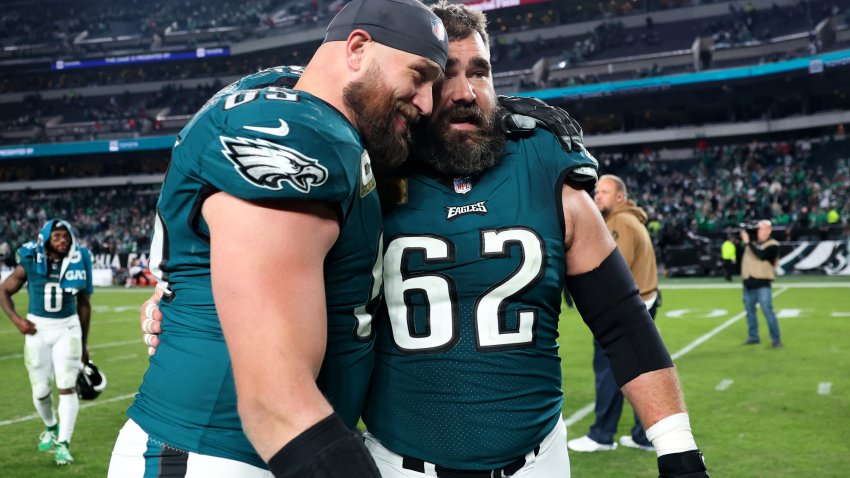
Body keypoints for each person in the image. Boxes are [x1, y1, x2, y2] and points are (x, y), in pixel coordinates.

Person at [141, 3, 710, 476]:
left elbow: (621, 320)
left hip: (540, 458)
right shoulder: (363, 160)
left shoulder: (542, 161)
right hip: (397, 463)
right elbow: (270, 263)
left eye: (481, 72)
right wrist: (186, 295)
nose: (463, 92)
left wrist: (678, 445)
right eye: (438, 78)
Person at [108, 0, 448, 477]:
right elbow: (276, 401)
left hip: (277, 445)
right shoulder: (294, 131)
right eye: (419, 75)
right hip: (224, 451)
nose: (427, 102)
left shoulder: (315, 111)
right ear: (357, 48)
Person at [567, 174, 660, 454]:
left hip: (623, 308)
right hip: (643, 302)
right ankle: (643, 436)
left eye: (605, 192)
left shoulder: (619, 222)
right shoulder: (629, 219)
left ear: (620, 197)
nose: (598, 196)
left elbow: (611, 272)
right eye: (597, 191)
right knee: (639, 370)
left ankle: (602, 435)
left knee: (609, 372)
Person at [0, 219, 94, 466]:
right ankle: (51, 426)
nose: (63, 240)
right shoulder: (31, 258)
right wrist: (17, 320)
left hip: (68, 328)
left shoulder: (78, 258)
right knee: (41, 391)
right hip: (37, 329)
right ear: (46, 239)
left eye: (66, 236)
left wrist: (83, 344)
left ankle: (63, 443)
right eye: (57, 237)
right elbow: (4, 290)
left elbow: (84, 304)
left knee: (66, 385)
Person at [740, 219, 782, 348]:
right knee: (750, 312)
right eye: (758, 229)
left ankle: (776, 340)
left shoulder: (773, 245)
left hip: (763, 284)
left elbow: (762, 255)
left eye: (762, 229)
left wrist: (748, 242)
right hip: (748, 284)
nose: (759, 231)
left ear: (769, 231)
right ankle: (753, 337)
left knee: (768, 312)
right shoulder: (751, 244)